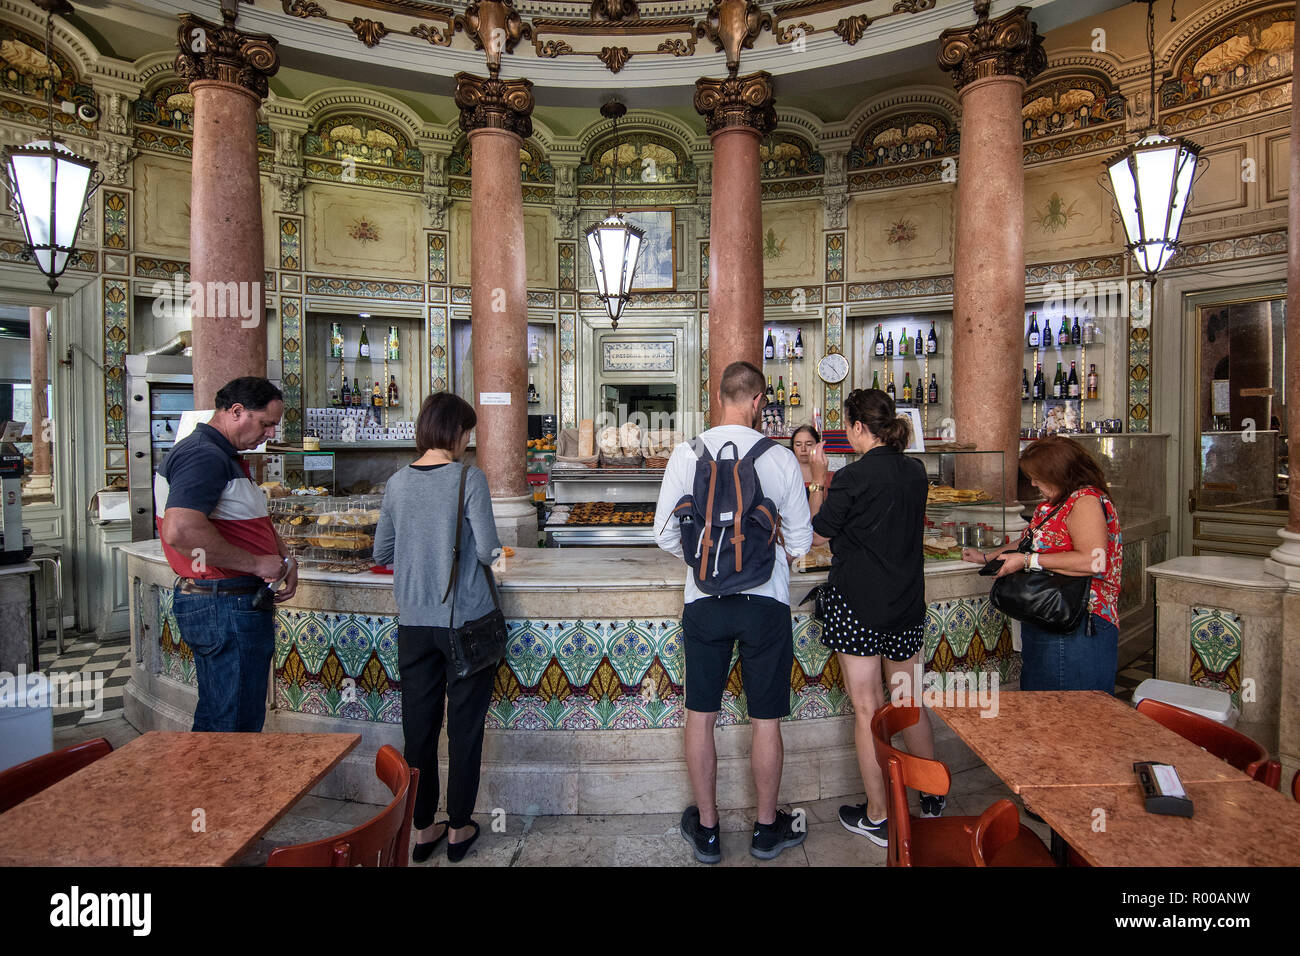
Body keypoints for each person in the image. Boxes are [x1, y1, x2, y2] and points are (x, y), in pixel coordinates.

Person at [653, 360, 813, 864]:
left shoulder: (687, 453)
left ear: (717, 396)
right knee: (766, 720)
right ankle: (766, 831)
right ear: (759, 401)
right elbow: (803, 542)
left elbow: (662, 534)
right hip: (765, 603)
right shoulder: (781, 458)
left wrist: (705, 563)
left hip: (704, 603)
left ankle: (708, 830)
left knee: (700, 715)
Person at [804, 387, 940, 844]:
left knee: (867, 708)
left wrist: (820, 480)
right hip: (906, 601)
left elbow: (817, 536)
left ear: (860, 427)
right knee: (906, 699)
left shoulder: (850, 478)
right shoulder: (916, 472)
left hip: (857, 602)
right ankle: (932, 792)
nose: (847, 433)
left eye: (848, 425)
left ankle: (879, 816)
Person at [373, 392, 500, 864]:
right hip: (462, 624)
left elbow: (381, 553)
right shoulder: (470, 478)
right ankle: (460, 827)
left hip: (413, 625)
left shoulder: (396, 482)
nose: (468, 441)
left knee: (419, 730)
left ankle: (422, 829)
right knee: (464, 730)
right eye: (466, 432)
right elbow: (488, 549)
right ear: (456, 432)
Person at [158, 377, 295, 733]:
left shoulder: (223, 454)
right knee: (233, 723)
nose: (269, 434)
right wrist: (256, 563)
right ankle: (225, 788)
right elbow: (181, 530)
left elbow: (242, 518)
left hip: (227, 602)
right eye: (266, 423)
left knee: (227, 712)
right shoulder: (203, 454)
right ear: (236, 412)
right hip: (225, 604)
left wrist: (283, 555)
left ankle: (220, 786)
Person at [962, 435, 1122, 692]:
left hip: (1079, 620)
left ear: (1058, 472)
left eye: (1037, 475)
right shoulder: (1058, 504)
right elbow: (1029, 541)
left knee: (1073, 714)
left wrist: (1027, 561)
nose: (1033, 482)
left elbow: (1093, 561)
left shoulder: (1085, 501)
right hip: (1050, 615)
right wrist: (987, 557)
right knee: (1043, 706)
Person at [791, 424, 834, 496]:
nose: (803, 449)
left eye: (808, 444)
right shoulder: (786, 476)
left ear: (818, 446)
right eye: (798, 444)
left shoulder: (831, 477)